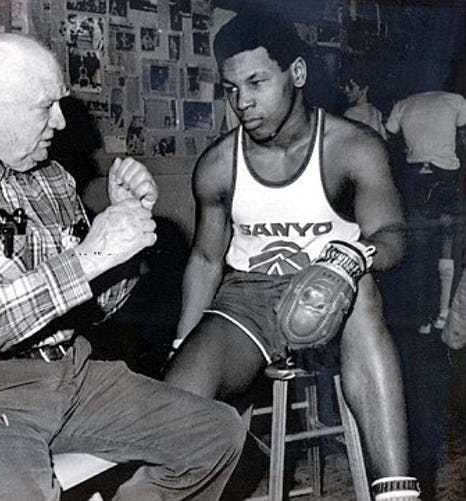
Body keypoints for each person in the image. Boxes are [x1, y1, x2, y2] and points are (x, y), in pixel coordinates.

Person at [0, 33, 245, 501]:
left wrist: (122, 245)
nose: (61, 121)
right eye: (46, 106)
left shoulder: (51, 178)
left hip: (66, 376)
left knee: (215, 434)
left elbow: (89, 309)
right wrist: (88, 257)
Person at [164, 12, 421, 501]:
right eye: (232, 88)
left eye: (257, 82)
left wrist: (351, 260)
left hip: (337, 288)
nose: (243, 102)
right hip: (249, 298)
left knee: (359, 290)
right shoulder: (218, 166)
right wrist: (183, 340)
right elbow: (204, 260)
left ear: (296, 74)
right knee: (174, 405)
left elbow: (392, 234)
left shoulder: (352, 148)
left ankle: (397, 492)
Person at [385, 90, 466, 333]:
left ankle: (423, 319)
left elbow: (389, 136)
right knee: (450, 244)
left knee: (420, 252)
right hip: (445, 178)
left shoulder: (403, 103)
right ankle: (444, 313)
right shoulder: (456, 100)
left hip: (415, 180)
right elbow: (463, 140)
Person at [341, 73, 387, 139]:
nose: (346, 90)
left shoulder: (350, 114)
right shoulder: (376, 112)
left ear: (365, 89)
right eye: (345, 86)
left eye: (351, 87)